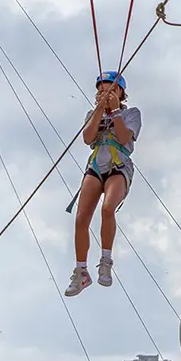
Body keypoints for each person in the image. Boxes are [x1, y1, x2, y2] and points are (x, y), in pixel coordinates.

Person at [64, 71, 142, 297]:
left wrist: (115, 110)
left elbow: (124, 137)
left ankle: (106, 260)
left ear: (120, 93)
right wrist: (100, 110)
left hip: (118, 165)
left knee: (108, 208)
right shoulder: (92, 114)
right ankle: (81, 271)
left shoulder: (131, 114)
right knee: (81, 218)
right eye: (101, 90)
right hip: (97, 164)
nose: (104, 94)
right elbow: (88, 138)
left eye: (110, 90)